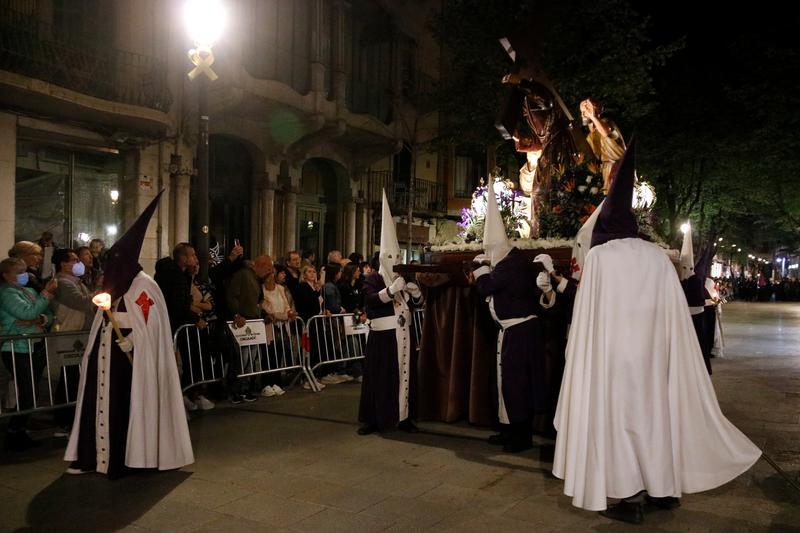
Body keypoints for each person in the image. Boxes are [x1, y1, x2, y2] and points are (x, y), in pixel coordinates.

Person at [552, 142, 760, 523]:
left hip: (614, 359)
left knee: (621, 424)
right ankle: (664, 488)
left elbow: (588, 312)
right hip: (653, 358)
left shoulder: (600, 258)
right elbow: (677, 316)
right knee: (654, 418)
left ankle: (631, 497)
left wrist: (579, 355)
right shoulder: (658, 259)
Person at [65, 191, 193, 477]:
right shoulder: (115, 283)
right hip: (106, 356)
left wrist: (135, 341)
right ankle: (93, 457)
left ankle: (126, 458)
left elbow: (152, 328)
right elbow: (103, 314)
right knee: (97, 401)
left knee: (125, 405)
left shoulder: (144, 286)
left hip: (130, 361)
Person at [471, 187, 549, 452]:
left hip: (521, 333)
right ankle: (508, 428)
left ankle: (521, 435)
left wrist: (480, 268)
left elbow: (485, 288)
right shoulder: (507, 264)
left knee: (518, 384)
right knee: (506, 382)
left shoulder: (511, 266)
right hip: (511, 333)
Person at [358, 191, 424, 435]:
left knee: (406, 377)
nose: (394, 260)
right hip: (383, 340)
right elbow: (371, 300)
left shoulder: (403, 277)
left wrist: (415, 294)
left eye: (397, 256)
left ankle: (404, 416)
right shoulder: (372, 278)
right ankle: (374, 419)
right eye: (390, 256)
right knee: (380, 379)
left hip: (404, 335)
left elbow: (415, 305)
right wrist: (389, 290)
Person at [0, 257, 57, 451]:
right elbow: (25, 313)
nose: (25, 275)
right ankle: (14, 431)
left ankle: (20, 430)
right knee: (27, 390)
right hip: (16, 347)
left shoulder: (31, 291)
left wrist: (40, 318)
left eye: (25, 270)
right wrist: (46, 295)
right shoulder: (6, 293)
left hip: (34, 345)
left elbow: (49, 315)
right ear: (6, 275)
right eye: (19, 272)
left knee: (31, 390)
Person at [50, 248, 95, 434]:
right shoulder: (63, 283)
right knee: (69, 377)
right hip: (69, 333)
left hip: (78, 333)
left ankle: (73, 416)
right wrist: (102, 292)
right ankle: (64, 419)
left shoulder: (76, 282)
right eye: (74, 260)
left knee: (75, 376)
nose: (79, 263)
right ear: (63, 264)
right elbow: (81, 302)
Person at [227, 255, 274, 402]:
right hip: (243, 323)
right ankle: (236, 389)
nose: (269, 272)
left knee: (251, 359)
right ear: (260, 264)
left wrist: (265, 315)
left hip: (253, 323)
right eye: (267, 269)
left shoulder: (255, 279)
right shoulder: (243, 275)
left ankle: (246, 388)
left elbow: (257, 302)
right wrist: (236, 314)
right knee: (242, 358)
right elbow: (231, 295)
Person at [580, 98, 626, 194]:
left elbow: (606, 132)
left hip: (618, 167)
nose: (584, 114)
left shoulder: (607, 123)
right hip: (605, 169)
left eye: (587, 110)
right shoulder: (591, 135)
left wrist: (593, 117)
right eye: (582, 112)